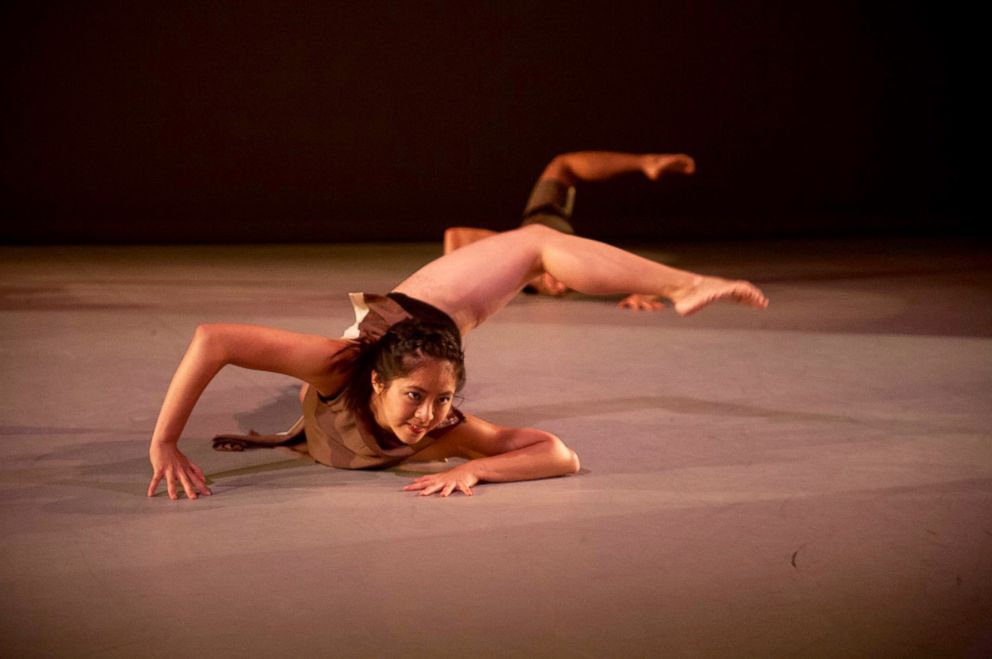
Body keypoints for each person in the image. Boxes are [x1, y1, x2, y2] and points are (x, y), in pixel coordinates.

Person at [146, 182, 768, 502]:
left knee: (533, 248)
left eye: (443, 403)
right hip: (412, 322)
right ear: (378, 384)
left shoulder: (442, 422)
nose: (431, 420)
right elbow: (213, 337)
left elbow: (561, 457)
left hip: (428, 337)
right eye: (418, 399)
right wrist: (164, 444)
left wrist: (479, 472)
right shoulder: (341, 366)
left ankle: (683, 285)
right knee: (532, 246)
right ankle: (682, 283)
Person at [444, 151, 696, 311]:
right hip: (550, 230)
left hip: (543, 225)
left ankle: (646, 161)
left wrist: (455, 287)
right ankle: (645, 161)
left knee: (562, 165)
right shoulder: (581, 272)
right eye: (561, 282)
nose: (557, 285)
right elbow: (626, 268)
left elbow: (455, 234)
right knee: (561, 165)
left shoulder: (516, 251)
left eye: (552, 276)